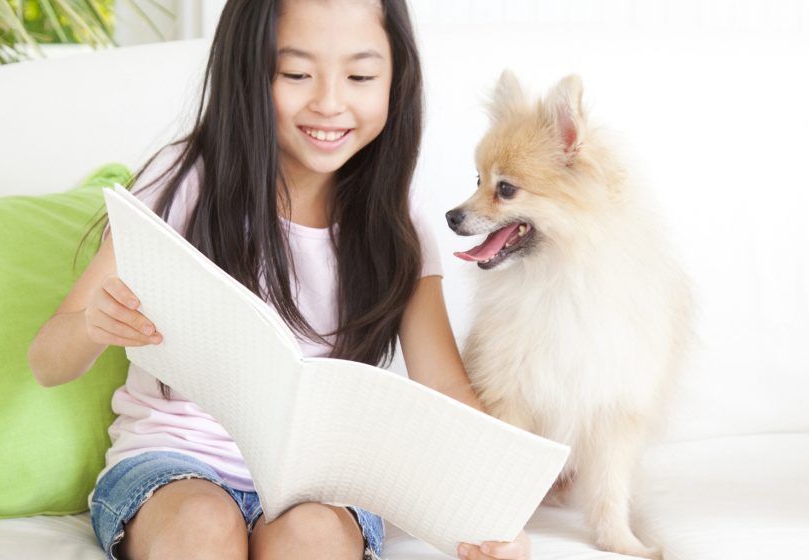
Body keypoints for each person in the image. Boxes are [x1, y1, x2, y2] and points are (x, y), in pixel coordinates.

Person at [28, 0, 531, 558]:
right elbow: (48, 361)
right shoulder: (185, 182)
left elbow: (445, 389)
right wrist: (94, 325)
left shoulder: (399, 224)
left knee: (310, 536)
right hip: (172, 464)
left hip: (325, 485)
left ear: (396, 80)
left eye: (360, 76)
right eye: (296, 74)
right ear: (250, 71)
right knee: (201, 525)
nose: (330, 103)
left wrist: (495, 513)